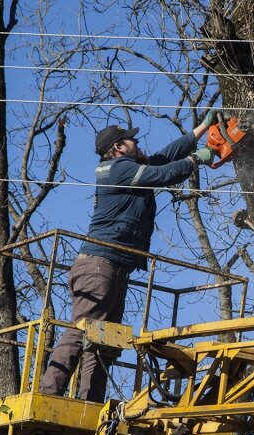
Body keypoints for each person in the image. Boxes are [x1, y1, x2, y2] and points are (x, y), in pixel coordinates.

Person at [38, 111, 217, 403]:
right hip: (98, 266)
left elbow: (161, 158)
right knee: (83, 331)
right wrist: (196, 160)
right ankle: (48, 395)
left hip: (113, 268)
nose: (136, 141)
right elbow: (163, 173)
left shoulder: (128, 167)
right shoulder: (117, 169)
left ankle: (90, 404)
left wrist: (200, 131)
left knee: (105, 339)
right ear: (119, 147)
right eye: (131, 139)